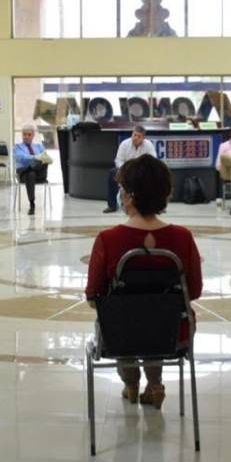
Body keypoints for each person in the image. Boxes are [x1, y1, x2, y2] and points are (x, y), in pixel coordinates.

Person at [85, 154, 202, 408]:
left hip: (121, 335)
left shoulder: (108, 240)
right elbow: (193, 291)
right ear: (165, 195)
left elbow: (94, 297)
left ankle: (131, 383)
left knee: (124, 318)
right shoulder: (183, 238)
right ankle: (155, 384)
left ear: (128, 196)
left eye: (121, 189)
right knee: (156, 316)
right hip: (172, 334)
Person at [104, 125, 155, 214]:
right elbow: (118, 160)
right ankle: (112, 205)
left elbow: (153, 160)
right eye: (134, 135)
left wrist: (142, 170)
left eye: (139, 136)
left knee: (154, 175)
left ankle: (152, 205)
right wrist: (125, 170)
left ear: (143, 138)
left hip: (141, 171)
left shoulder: (148, 145)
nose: (135, 138)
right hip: (126, 170)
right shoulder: (124, 144)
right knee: (112, 173)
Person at [14, 124, 48, 216]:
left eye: (29, 134)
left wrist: (36, 159)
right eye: (24, 134)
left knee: (39, 164)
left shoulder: (39, 146)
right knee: (30, 173)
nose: (26, 137)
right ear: (22, 135)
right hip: (23, 174)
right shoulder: (17, 147)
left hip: (40, 173)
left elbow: (45, 157)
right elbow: (22, 157)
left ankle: (32, 167)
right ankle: (32, 203)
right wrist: (36, 157)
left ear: (33, 135)